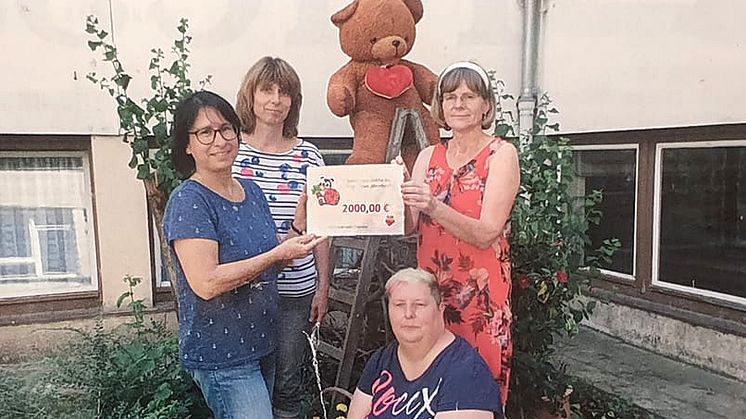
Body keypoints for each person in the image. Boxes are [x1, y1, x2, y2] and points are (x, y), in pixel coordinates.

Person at [164, 90, 325, 419]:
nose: (220, 140)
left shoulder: (250, 191)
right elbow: (206, 282)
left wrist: (298, 224)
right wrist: (274, 255)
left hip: (262, 342)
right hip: (223, 354)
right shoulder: (189, 201)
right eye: (205, 133)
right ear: (187, 145)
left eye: (226, 129)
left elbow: (271, 261)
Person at [399, 61, 520, 404]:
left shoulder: (501, 154)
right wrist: (395, 192)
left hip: (480, 300)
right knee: (428, 392)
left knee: (476, 391)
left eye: (469, 96)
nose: (459, 104)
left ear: (487, 106)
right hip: (431, 297)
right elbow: (409, 226)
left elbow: (486, 233)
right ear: (440, 105)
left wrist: (432, 205)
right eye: (450, 96)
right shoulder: (427, 156)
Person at [233, 56, 331, 419]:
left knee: (288, 386)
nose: (275, 100)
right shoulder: (232, 151)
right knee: (249, 383)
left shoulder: (309, 155)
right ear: (251, 96)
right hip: (246, 289)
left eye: (284, 92)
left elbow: (322, 228)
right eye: (267, 90)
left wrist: (323, 287)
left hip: (296, 292)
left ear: (294, 100)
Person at [347, 268, 503, 419]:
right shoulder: (381, 360)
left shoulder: (468, 374)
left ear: (440, 309)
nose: (408, 314)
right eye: (399, 305)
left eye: (419, 305)